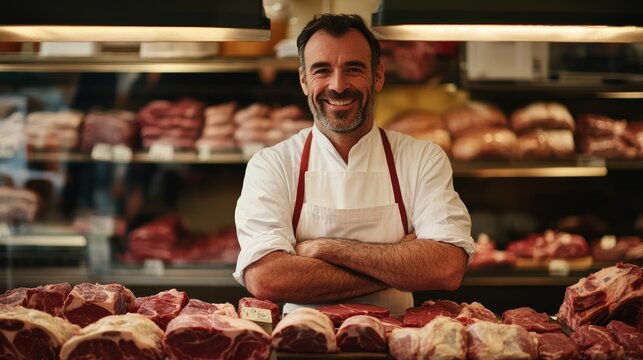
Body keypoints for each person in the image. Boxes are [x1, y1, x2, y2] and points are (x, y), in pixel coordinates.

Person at [234, 14, 474, 315]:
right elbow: (265, 277)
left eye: (353, 69)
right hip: (302, 342)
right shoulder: (272, 165)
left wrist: (323, 249)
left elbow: (446, 267)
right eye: (322, 70)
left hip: (399, 342)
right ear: (304, 80)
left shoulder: (421, 158)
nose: (338, 85)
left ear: (378, 76)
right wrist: (400, 264)